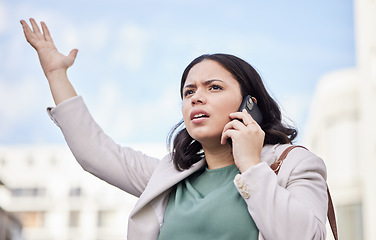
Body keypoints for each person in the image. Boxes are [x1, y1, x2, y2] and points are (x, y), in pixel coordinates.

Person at [20, 18, 328, 240]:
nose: (197, 97)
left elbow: (304, 236)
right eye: (189, 91)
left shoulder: (291, 165)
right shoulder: (169, 176)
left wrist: (250, 166)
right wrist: (56, 73)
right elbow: (95, 152)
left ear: (250, 104)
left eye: (214, 87)